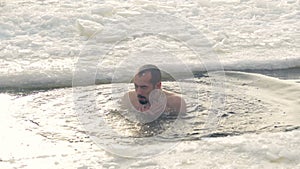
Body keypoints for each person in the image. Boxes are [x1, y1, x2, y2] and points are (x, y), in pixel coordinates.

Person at [122, 64, 186, 119]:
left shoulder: (176, 102)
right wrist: (141, 115)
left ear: (158, 86)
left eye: (143, 87)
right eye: (136, 86)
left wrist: (166, 114)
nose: (138, 92)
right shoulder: (129, 98)